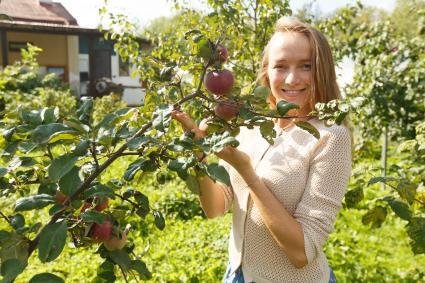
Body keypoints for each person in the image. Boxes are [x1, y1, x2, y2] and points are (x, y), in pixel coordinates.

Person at [171, 17, 351, 283]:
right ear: (267, 71)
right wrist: (199, 153)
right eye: (281, 66)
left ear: (322, 71)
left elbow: (302, 252)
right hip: (237, 275)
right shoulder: (252, 126)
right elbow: (215, 207)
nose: (292, 78)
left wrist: (248, 174)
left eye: (306, 66)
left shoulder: (330, 137)